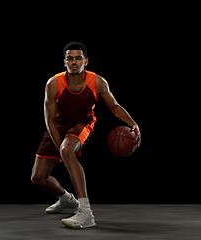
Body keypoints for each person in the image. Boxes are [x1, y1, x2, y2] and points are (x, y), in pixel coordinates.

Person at [31, 42, 141, 229]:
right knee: (38, 178)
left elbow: (114, 107)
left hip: (81, 124)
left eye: (78, 58)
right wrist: (59, 148)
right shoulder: (53, 83)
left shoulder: (97, 82)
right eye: (70, 58)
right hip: (57, 126)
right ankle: (67, 199)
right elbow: (50, 121)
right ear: (64, 61)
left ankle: (85, 212)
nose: (74, 62)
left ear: (86, 61)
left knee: (67, 150)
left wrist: (133, 123)